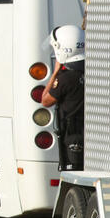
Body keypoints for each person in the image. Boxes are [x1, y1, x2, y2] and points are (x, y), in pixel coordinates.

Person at [42, 25, 85, 171]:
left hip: (72, 135)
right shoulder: (90, 73)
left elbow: (45, 100)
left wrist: (55, 72)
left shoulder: (64, 79)